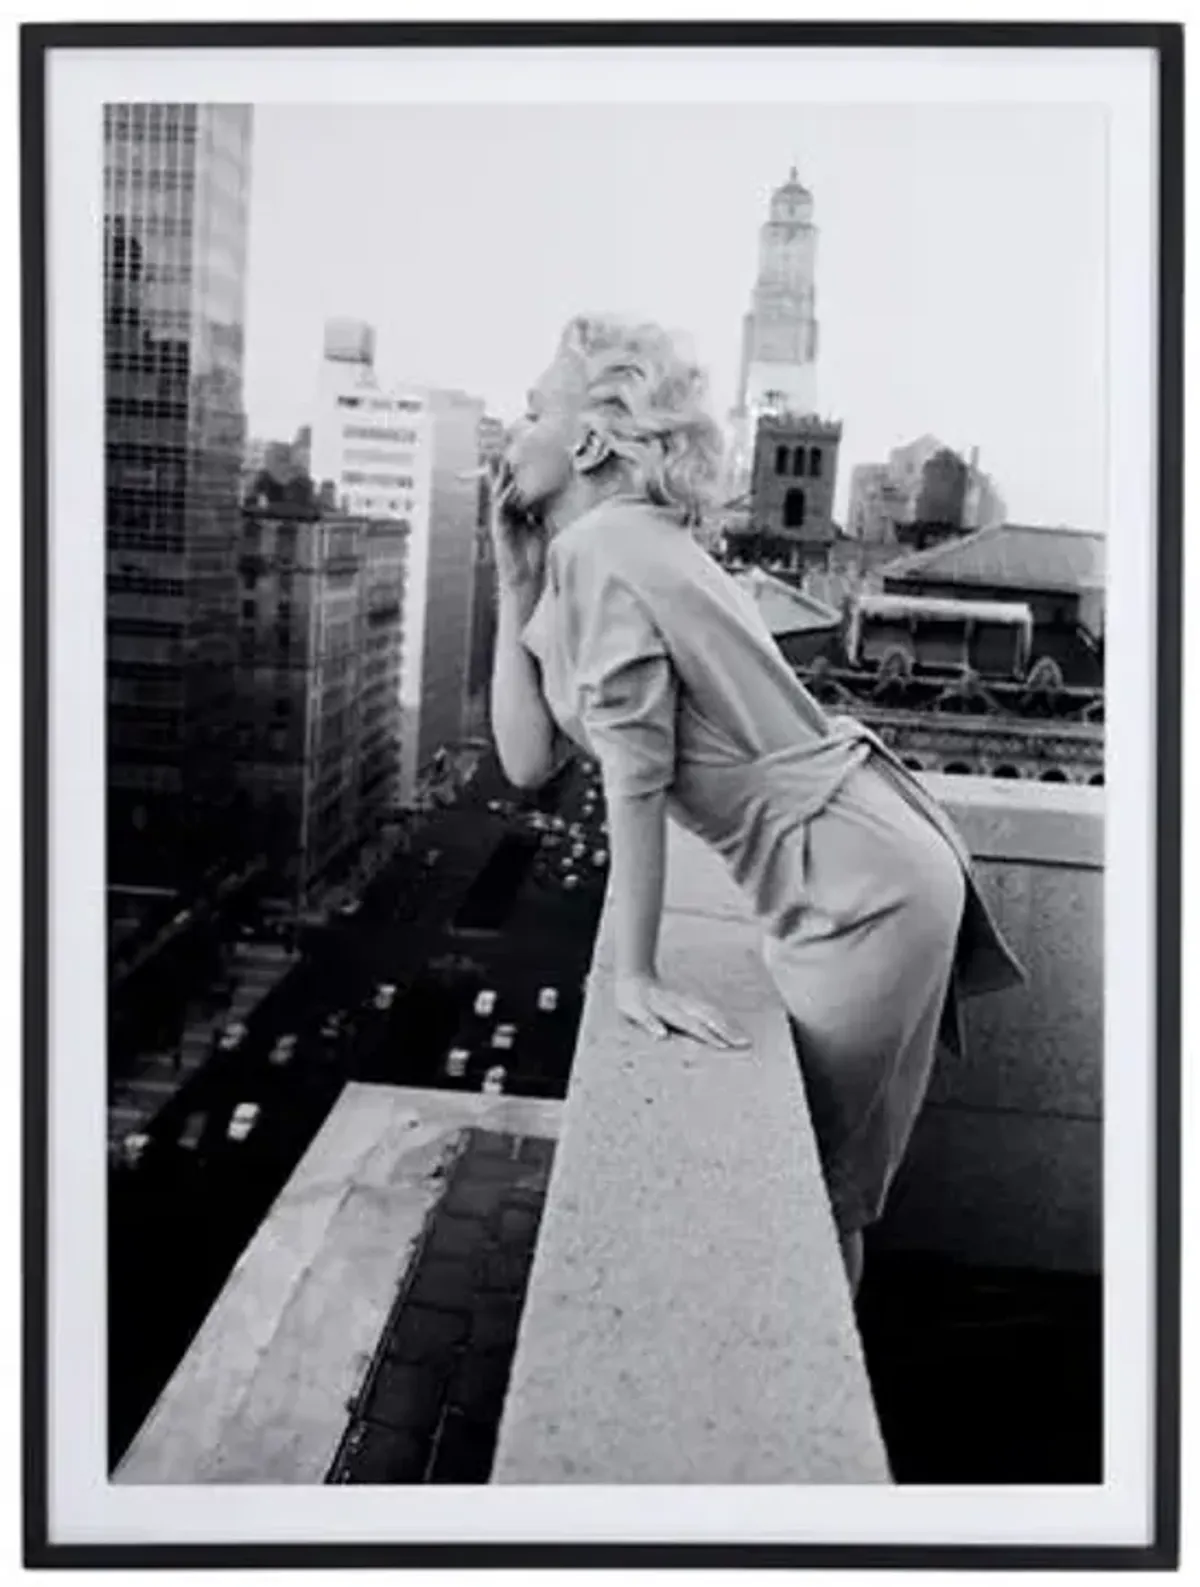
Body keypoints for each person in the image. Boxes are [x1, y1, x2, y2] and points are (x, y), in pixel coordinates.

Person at [488, 313, 1025, 1294]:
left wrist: (636, 971)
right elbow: (527, 760)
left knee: (817, 1195)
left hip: (855, 886)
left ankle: (801, 1428)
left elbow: (634, 780)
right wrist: (510, 578)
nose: (508, 436)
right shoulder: (625, 547)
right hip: (866, 858)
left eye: (528, 413)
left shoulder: (608, 551)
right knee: (831, 1191)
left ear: (588, 441)